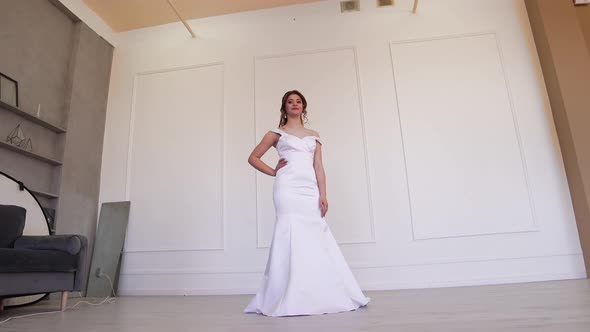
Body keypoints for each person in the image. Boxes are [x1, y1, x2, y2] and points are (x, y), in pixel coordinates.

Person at [243, 90, 370, 317]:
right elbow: (253, 157)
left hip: (309, 190)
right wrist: (273, 171)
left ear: (304, 107)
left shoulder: (314, 135)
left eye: (298, 101)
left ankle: (319, 291)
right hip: (287, 190)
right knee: (289, 232)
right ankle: (285, 293)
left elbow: (318, 167)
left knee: (315, 234)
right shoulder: (276, 133)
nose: (294, 104)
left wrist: (323, 194)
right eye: (290, 102)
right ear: (284, 108)